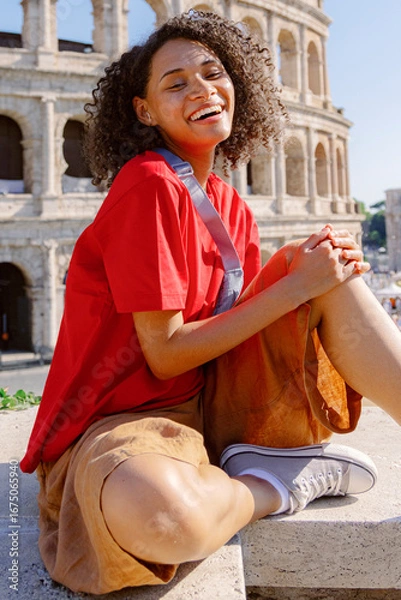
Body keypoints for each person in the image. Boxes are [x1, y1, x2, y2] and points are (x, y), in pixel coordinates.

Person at [20, 11, 401, 595]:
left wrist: (308, 271)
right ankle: (272, 485)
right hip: (122, 419)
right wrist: (294, 287)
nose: (200, 87)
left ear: (235, 85)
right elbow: (167, 354)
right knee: (163, 520)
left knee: (327, 265)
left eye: (212, 72)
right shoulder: (149, 184)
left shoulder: (229, 202)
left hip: (208, 405)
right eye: (175, 83)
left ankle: (252, 469)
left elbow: (235, 325)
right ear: (144, 111)